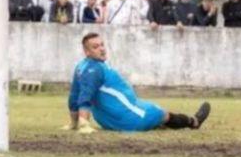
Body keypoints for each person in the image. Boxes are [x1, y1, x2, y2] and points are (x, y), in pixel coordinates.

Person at [64, 33, 211, 133]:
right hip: (129, 119)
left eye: (102, 45)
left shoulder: (81, 66)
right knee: (161, 113)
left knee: (147, 109)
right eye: (95, 47)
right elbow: (85, 96)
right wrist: (83, 122)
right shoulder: (94, 69)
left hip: (108, 120)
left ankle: (158, 124)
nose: (102, 49)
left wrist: (73, 123)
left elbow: (74, 95)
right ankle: (194, 122)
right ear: (87, 52)